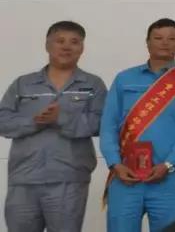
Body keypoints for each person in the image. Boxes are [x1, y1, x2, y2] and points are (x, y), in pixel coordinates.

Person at [100, 18, 175, 232]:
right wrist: (114, 164)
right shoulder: (124, 78)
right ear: (147, 42)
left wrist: (169, 164)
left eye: (172, 39)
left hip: (170, 178)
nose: (165, 43)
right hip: (125, 176)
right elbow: (108, 124)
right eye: (158, 38)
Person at [0, 20, 107, 232]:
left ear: (82, 48)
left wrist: (62, 119)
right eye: (60, 41)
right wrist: (34, 121)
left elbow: (102, 123)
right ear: (47, 45)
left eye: (74, 42)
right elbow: (3, 120)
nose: (67, 47)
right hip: (24, 178)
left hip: (69, 179)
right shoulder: (23, 84)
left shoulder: (92, 84)